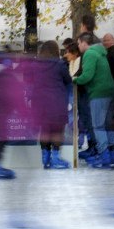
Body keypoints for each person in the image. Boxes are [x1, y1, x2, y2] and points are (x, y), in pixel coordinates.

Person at [73, 32, 114, 169]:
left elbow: (87, 76)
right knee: (108, 125)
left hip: (98, 93)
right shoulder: (100, 52)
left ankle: (104, 157)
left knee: (98, 126)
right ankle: (113, 157)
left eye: (79, 43)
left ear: (84, 42)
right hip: (110, 92)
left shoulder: (90, 54)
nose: (78, 46)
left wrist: (74, 79)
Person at [33, 41, 72, 169]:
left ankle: (45, 158)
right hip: (57, 102)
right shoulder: (60, 64)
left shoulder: (35, 65)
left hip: (40, 103)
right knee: (57, 131)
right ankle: (55, 158)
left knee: (44, 130)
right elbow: (68, 80)